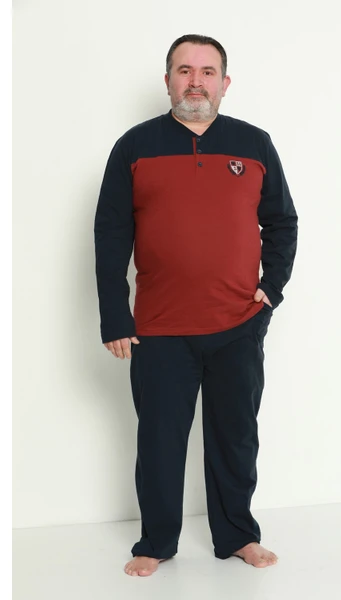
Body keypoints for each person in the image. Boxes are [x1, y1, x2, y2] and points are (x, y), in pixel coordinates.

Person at [94, 34, 298, 577]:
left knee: (236, 437)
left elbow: (282, 221)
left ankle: (237, 536)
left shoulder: (254, 144)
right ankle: (156, 542)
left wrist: (272, 287)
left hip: (238, 323)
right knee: (159, 441)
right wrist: (114, 314)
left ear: (225, 84)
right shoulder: (135, 146)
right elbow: (110, 233)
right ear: (168, 81)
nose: (196, 81)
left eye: (208, 72)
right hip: (159, 328)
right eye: (184, 70)